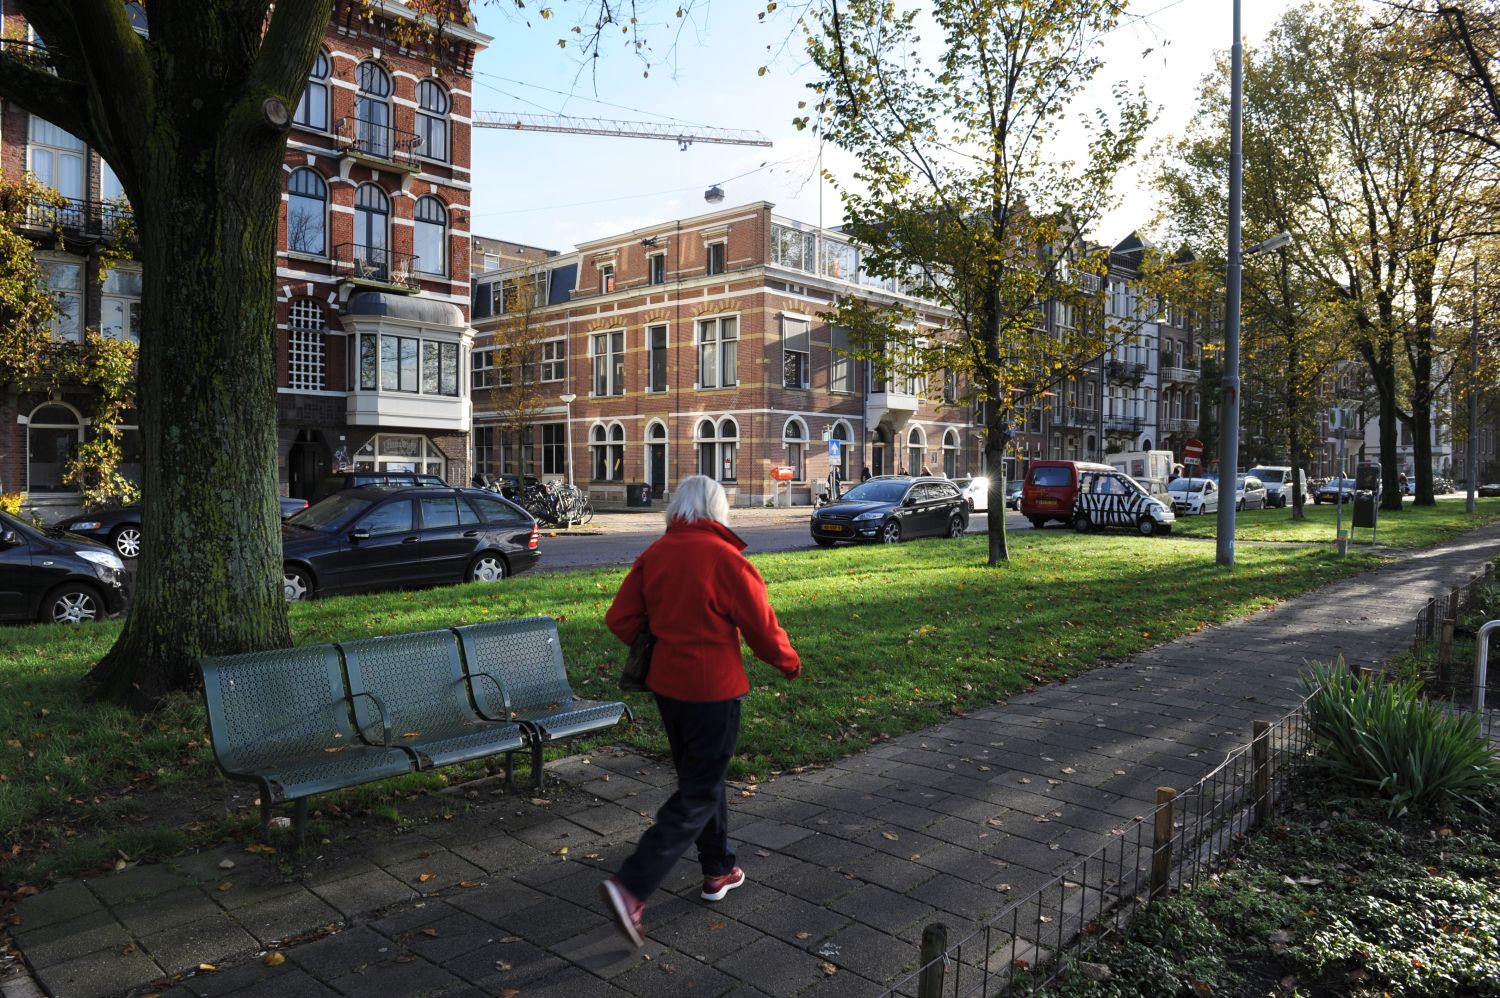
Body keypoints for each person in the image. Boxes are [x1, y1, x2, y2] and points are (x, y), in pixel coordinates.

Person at [599, 475, 801, 948]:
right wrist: (788, 662)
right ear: (718, 509)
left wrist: (661, 640)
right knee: (699, 790)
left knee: (701, 781)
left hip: (668, 687)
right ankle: (632, 886)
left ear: (677, 509)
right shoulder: (727, 561)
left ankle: (718, 869)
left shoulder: (654, 556)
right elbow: (762, 629)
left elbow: (620, 618)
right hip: (715, 691)